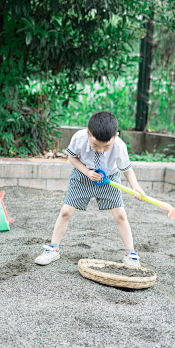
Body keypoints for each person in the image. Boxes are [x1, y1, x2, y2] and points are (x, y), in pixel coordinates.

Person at [35, 111, 145, 267]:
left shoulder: (119, 146)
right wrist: (87, 172)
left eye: (106, 146)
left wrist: (136, 187)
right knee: (66, 211)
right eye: (95, 145)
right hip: (82, 177)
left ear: (116, 135)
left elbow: (127, 169)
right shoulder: (79, 138)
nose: (100, 150)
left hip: (109, 179)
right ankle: (53, 249)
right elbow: (71, 157)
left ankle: (131, 254)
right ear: (88, 133)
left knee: (120, 215)